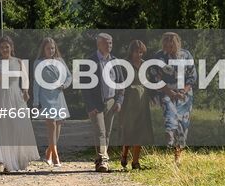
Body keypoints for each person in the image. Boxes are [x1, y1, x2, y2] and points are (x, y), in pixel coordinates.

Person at [0, 34, 39, 174]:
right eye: (2, 47)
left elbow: (25, 78)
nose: (5, 49)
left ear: (11, 47)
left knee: (18, 126)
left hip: (16, 96)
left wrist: (26, 91)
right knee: (5, 127)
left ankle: (20, 159)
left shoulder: (18, 62)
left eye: (7, 47)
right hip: (1, 97)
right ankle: (8, 162)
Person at [147, 31, 195, 164]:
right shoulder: (159, 56)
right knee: (170, 114)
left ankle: (178, 155)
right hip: (166, 91)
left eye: (171, 41)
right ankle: (169, 132)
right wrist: (170, 92)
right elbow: (155, 77)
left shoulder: (186, 55)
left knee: (183, 124)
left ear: (177, 42)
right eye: (166, 41)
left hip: (184, 93)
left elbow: (192, 76)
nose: (169, 43)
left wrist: (183, 92)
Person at [113, 39, 157, 169]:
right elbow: (120, 83)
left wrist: (152, 97)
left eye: (141, 52)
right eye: (136, 52)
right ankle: (124, 154)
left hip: (142, 101)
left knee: (141, 130)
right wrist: (119, 100)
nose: (139, 54)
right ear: (131, 52)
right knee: (129, 130)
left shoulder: (145, 65)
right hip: (129, 101)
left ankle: (136, 161)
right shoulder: (125, 65)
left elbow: (149, 83)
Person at [83, 32, 122, 172]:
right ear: (99, 44)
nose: (109, 45)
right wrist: (90, 106)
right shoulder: (90, 61)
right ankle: (103, 161)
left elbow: (121, 83)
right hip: (96, 103)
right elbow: (85, 87)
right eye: (106, 42)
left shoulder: (115, 61)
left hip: (111, 102)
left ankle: (100, 160)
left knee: (107, 132)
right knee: (100, 132)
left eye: (111, 43)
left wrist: (119, 101)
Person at [32, 36, 70, 167]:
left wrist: (64, 85)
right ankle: (55, 156)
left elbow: (69, 76)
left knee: (59, 125)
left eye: (53, 48)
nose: (51, 50)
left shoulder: (60, 61)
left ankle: (49, 151)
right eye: (48, 48)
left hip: (59, 96)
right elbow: (36, 83)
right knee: (52, 125)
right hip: (46, 97)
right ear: (43, 49)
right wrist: (36, 102)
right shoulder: (38, 63)